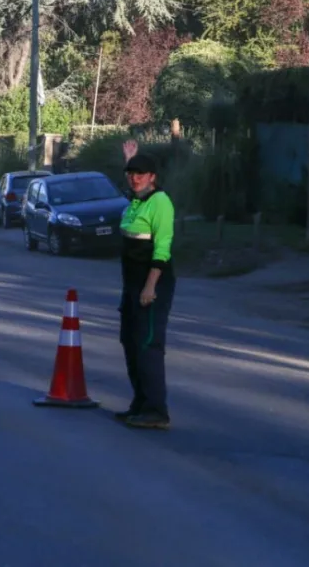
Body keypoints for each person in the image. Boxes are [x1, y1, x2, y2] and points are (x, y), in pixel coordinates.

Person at [116, 142, 176, 430]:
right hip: (130, 284)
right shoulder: (137, 200)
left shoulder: (160, 203)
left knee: (148, 344)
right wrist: (130, 160)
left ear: (153, 176)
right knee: (130, 341)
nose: (135, 177)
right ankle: (139, 403)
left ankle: (156, 410)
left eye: (141, 173)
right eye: (131, 173)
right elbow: (132, 192)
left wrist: (150, 287)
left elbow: (162, 248)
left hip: (151, 285)